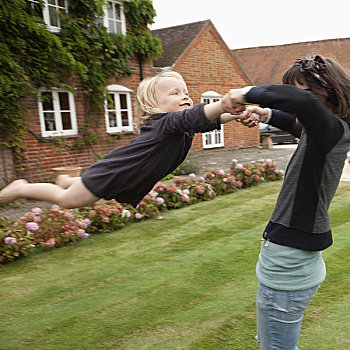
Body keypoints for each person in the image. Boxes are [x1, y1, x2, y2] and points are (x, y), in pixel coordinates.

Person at [230, 55, 350, 349]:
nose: (293, 101)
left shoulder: (332, 131)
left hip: (288, 267)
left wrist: (243, 94)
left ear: (329, 93)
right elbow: (299, 123)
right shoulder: (327, 132)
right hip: (296, 262)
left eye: (301, 93)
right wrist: (265, 114)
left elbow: (304, 107)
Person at [0, 71, 246, 209]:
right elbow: (197, 116)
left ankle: (68, 179)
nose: (185, 97)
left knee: (84, 189)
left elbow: (209, 121)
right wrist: (223, 103)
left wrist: (233, 115)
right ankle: (22, 187)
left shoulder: (181, 127)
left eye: (186, 93)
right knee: (68, 201)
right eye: (174, 93)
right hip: (116, 171)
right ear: (153, 105)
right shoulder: (164, 123)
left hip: (123, 173)